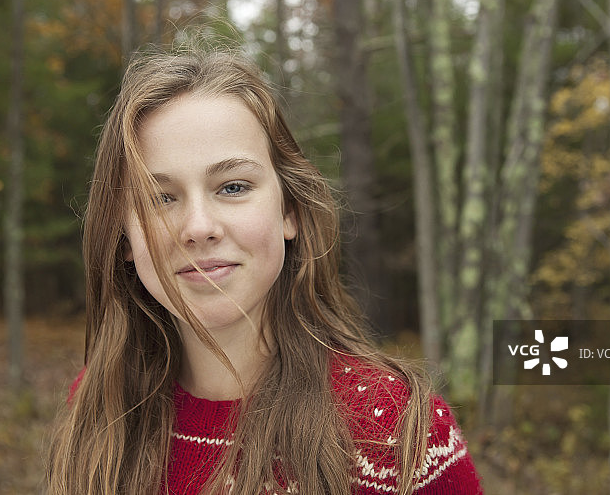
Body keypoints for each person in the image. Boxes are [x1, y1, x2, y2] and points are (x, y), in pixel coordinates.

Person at [47, 45, 483, 495]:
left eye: (232, 186)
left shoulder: (396, 432)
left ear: (289, 210)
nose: (198, 228)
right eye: (161, 197)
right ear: (123, 237)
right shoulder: (98, 410)